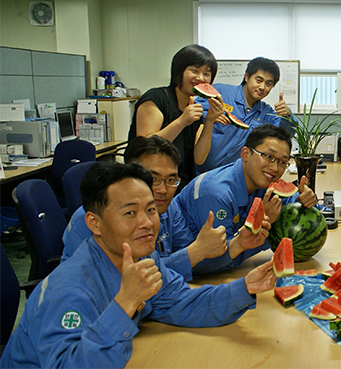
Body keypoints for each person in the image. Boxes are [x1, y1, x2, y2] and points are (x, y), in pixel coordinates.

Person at [0, 162, 276, 368]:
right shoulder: (71, 290)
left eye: (151, 210)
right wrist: (125, 303)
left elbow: (180, 302)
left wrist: (244, 288)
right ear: (94, 223)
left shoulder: (141, 257)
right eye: (130, 213)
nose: (147, 223)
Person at [61, 136, 228, 281]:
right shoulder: (91, 220)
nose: (163, 190)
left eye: (171, 180)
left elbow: (189, 260)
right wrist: (195, 252)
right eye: (153, 179)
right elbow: (117, 280)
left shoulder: (169, 208)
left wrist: (236, 245)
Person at [177, 124, 317, 274]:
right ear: (245, 154)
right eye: (269, 156)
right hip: (182, 274)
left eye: (282, 162)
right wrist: (264, 222)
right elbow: (217, 260)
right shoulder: (216, 194)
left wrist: (306, 200)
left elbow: (298, 208)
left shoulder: (263, 182)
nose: (275, 168)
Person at [128, 44, 223, 191]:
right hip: (149, 185)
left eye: (206, 73)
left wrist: (209, 121)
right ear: (179, 71)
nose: (200, 78)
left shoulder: (194, 108)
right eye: (194, 70)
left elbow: (199, 158)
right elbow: (143, 150)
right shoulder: (156, 98)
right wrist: (182, 121)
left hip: (180, 186)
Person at [196, 57, 296, 173]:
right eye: (259, 80)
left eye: (268, 84)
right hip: (200, 170)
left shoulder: (266, 112)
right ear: (247, 77)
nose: (262, 87)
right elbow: (195, 112)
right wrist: (209, 116)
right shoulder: (220, 92)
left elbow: (284, 134)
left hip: (232, 175)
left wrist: (287, 116)